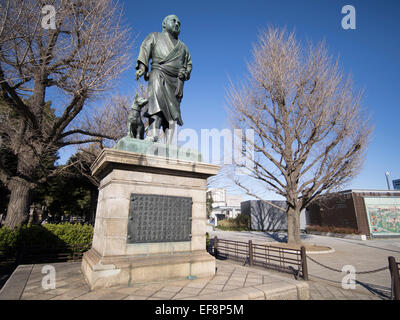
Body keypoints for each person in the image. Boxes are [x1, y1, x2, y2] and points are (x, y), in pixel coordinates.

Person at [135, 14, 192, 144]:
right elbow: (145, 49)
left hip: (176, 81)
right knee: (156, 102)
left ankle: (169, 142)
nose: (177, 24)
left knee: (173, 112)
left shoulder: (183, 47)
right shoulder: (154, 36)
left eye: (179, 22)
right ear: (164, 24)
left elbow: (189, 64)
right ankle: (153, 133)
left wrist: (186, 72)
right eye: (173, 21)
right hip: (158, 73)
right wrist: (142, 67)